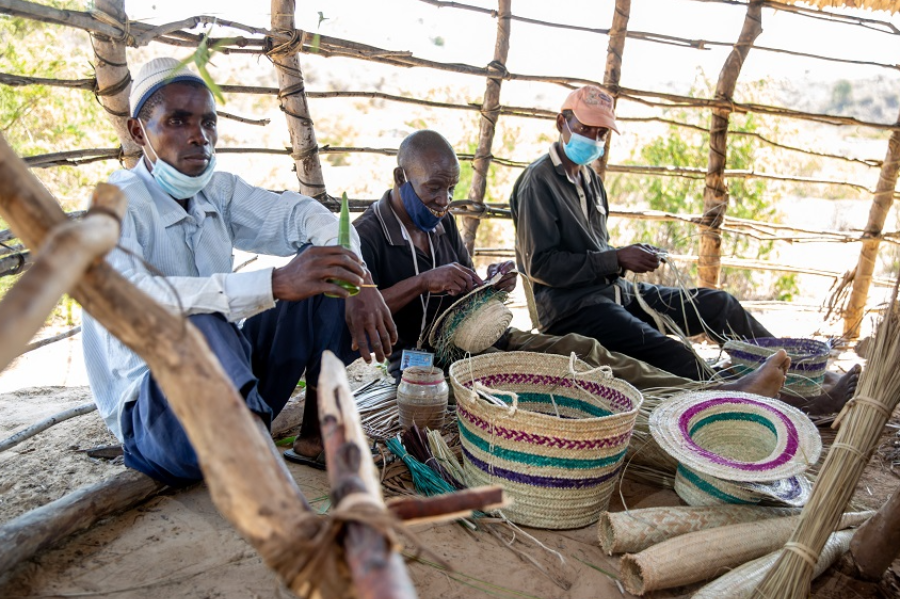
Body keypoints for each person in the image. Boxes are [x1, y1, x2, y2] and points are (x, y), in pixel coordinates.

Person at [81, 58, 396, 485]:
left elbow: (304, 215)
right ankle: (262, 469)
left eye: (208, 123)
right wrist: (275, 283)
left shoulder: (218, 191)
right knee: (203, 319)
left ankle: (314, 438)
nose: (199, 136)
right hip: (162, 420)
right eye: (177, 121)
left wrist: (358, 280)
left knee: (322, 277)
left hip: (229, 387)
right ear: (139, 132)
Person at [353, 129, 814, 402]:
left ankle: (721, 396)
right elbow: (357, 313)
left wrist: (489, 284)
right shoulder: (368, 234)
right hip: (423, 362)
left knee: (587, 355)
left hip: (475, 337)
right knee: (574, 376)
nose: (444, 201)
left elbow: (463, 289)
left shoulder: (440, 221)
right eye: (434, 188)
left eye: (450, 190)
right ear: (401, 178)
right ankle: (716, 400)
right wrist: (422, 281)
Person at [511, 84, 780, 382]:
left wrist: (628, 255)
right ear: (562, 122)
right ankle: (737, 389)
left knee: (719, 305)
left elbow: (596, 249)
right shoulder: (539, 182)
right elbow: (541, 265)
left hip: (615, 295)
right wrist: (616, 259)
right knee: (671, 352)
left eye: (602, 133)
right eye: (586, 129)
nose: (594, 139)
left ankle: (789, 370)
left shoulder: (591, 180)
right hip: (572, 312)